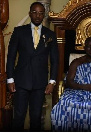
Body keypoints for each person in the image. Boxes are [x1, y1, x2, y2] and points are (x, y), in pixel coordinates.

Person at [6, 2, 59, 131]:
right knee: (18, 117)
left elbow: (55, 60)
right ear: (30, 14)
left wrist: (52, 81)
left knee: (36, 118)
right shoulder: (19, 31)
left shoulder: (50, 34)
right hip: (21, 81)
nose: (37, 16)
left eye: (41, 13)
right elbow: (11, 57)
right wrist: (10, 79)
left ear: (44, 15)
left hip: (40, 83)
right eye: (34, 12)